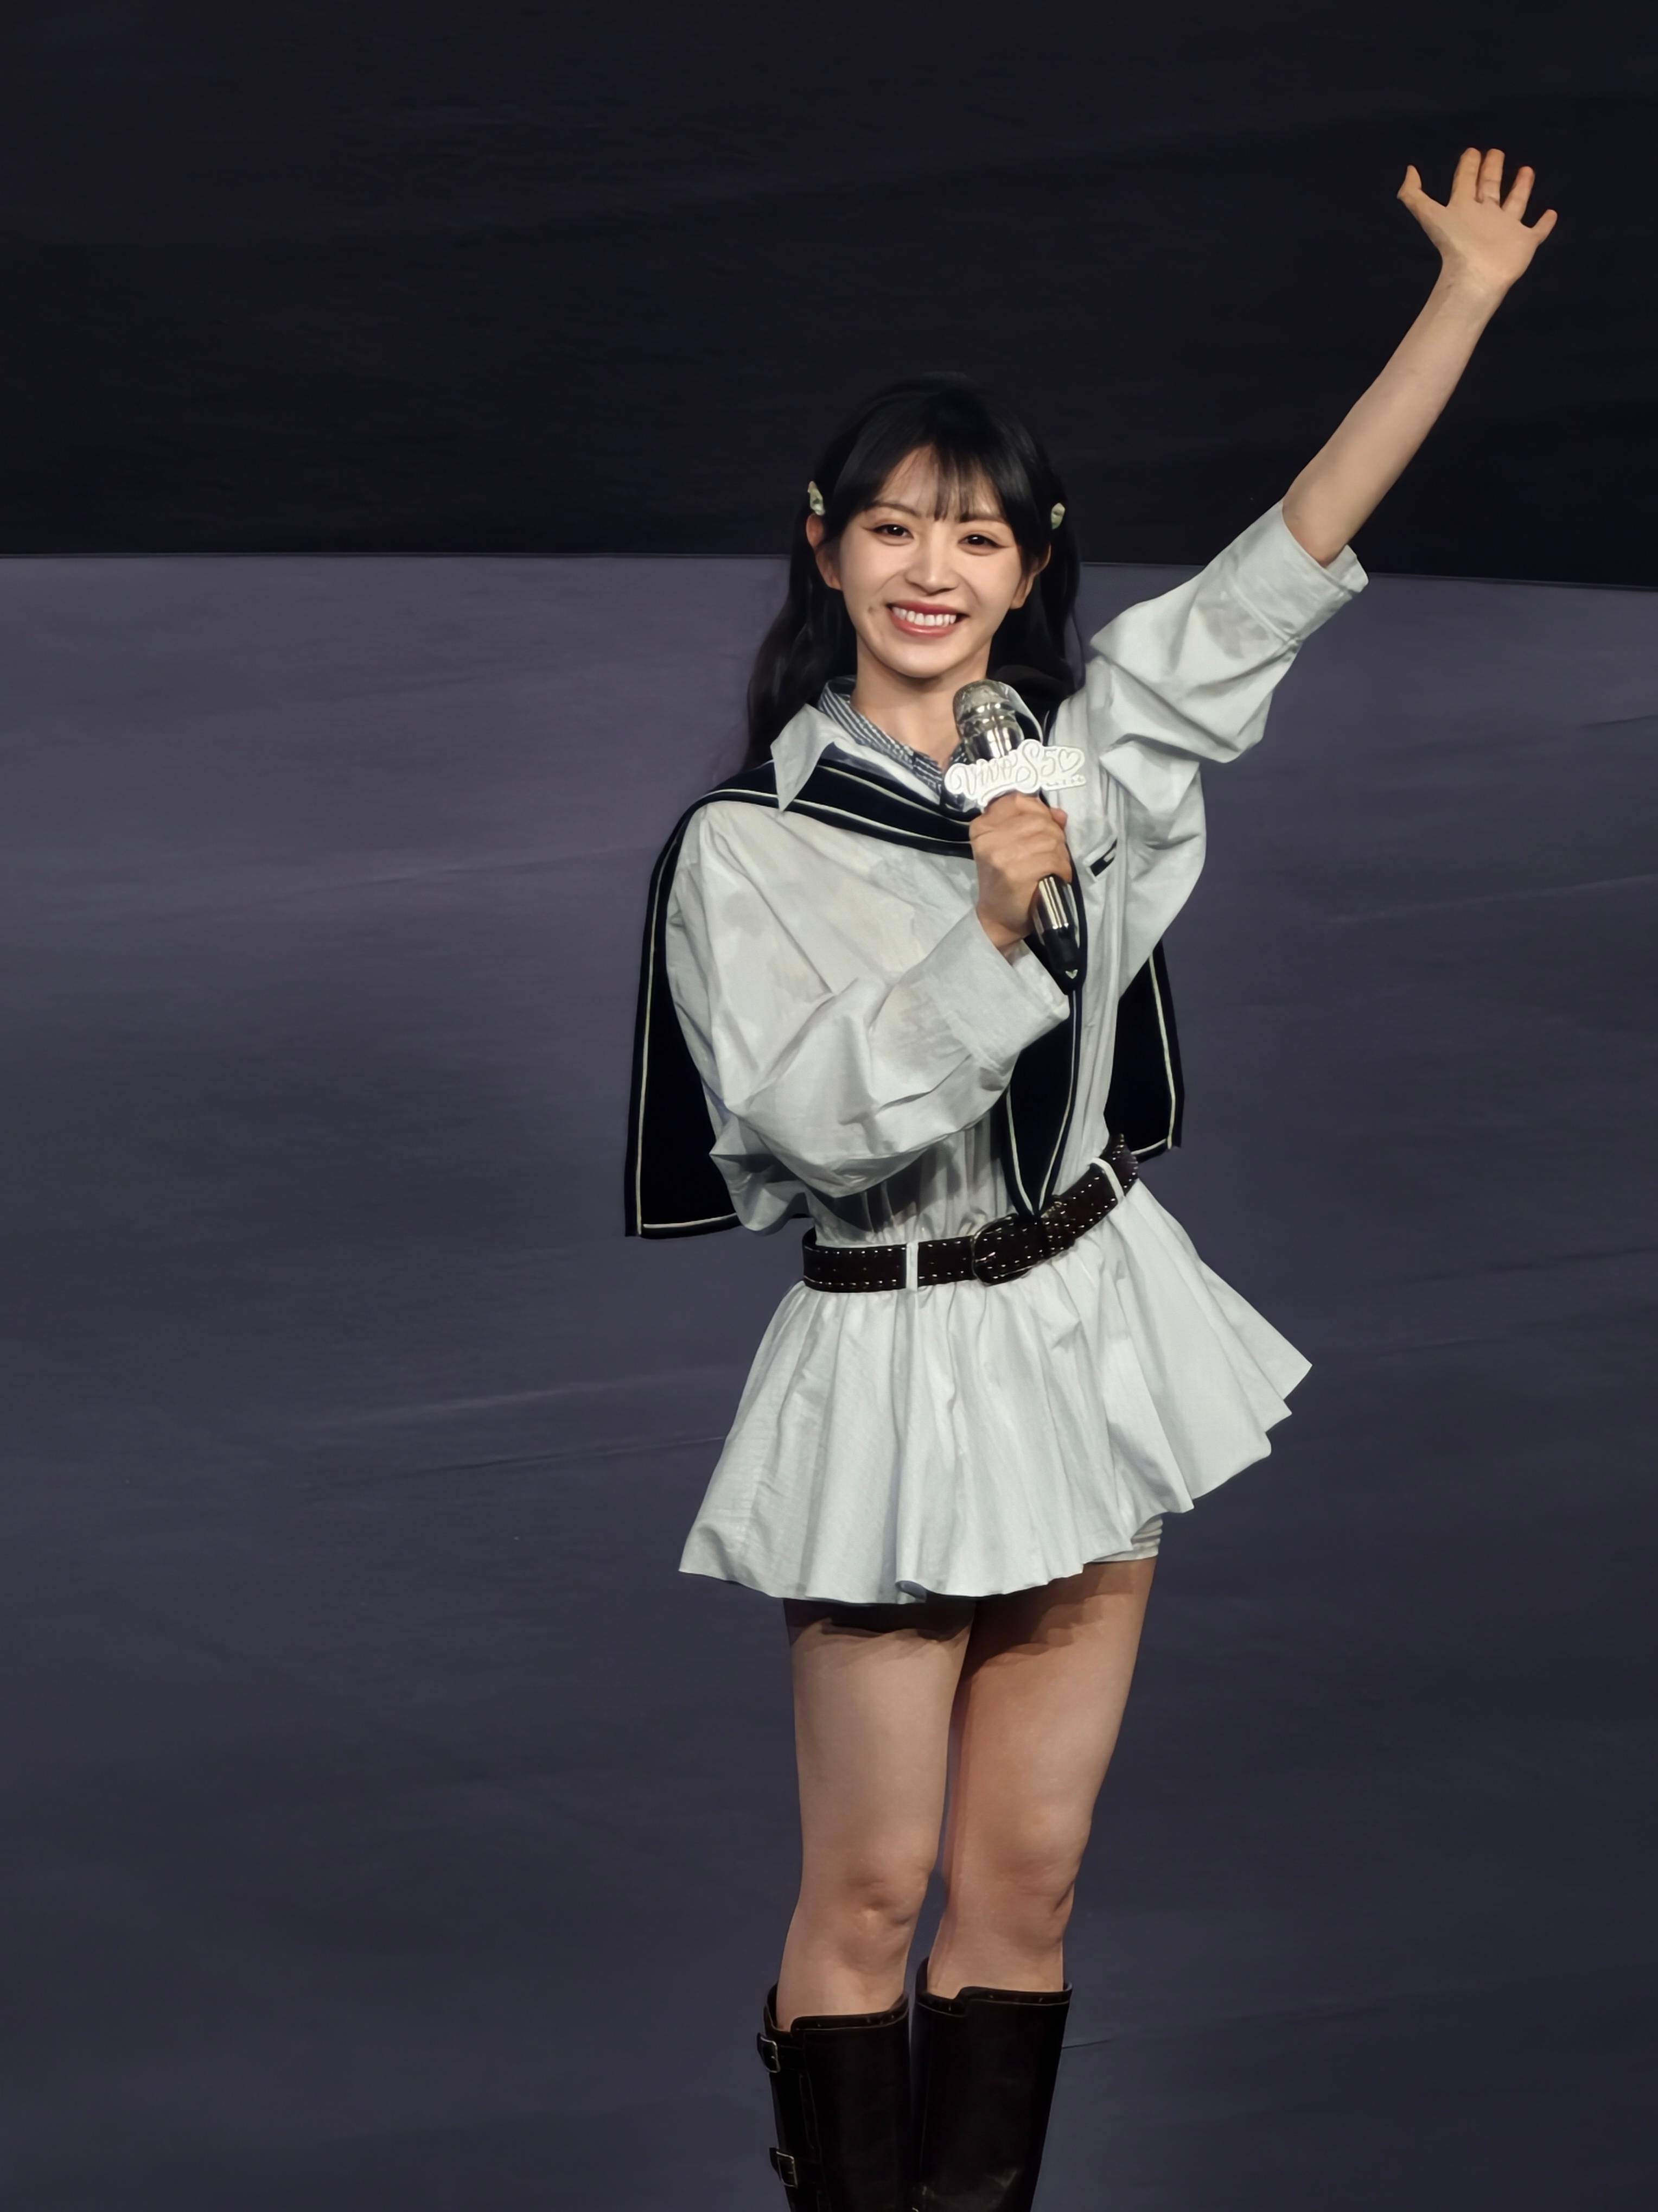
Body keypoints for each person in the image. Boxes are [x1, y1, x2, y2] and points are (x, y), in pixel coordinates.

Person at [625, 149, 1554, 2212]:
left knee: (1025, 1884)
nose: (932, 568)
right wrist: (987, 926)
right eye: (893, 526)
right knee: (872, 1891)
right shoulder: (745, 851)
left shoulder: (1084, 760)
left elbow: (1284, 562)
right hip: (893, 1356)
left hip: (1087, 1327)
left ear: (1034, 562)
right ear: (823, 545)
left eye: (977, 534)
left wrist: (1465, 303)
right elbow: (809, 1119)